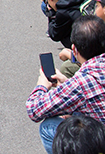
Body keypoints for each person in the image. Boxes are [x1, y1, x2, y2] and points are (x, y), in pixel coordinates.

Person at [27, 16, 105, 152]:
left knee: (48, 126)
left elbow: (34, 110)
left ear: (74, 50)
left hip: (99, 140)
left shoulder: (80, 83)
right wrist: (67, 82)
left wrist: (42, 85)